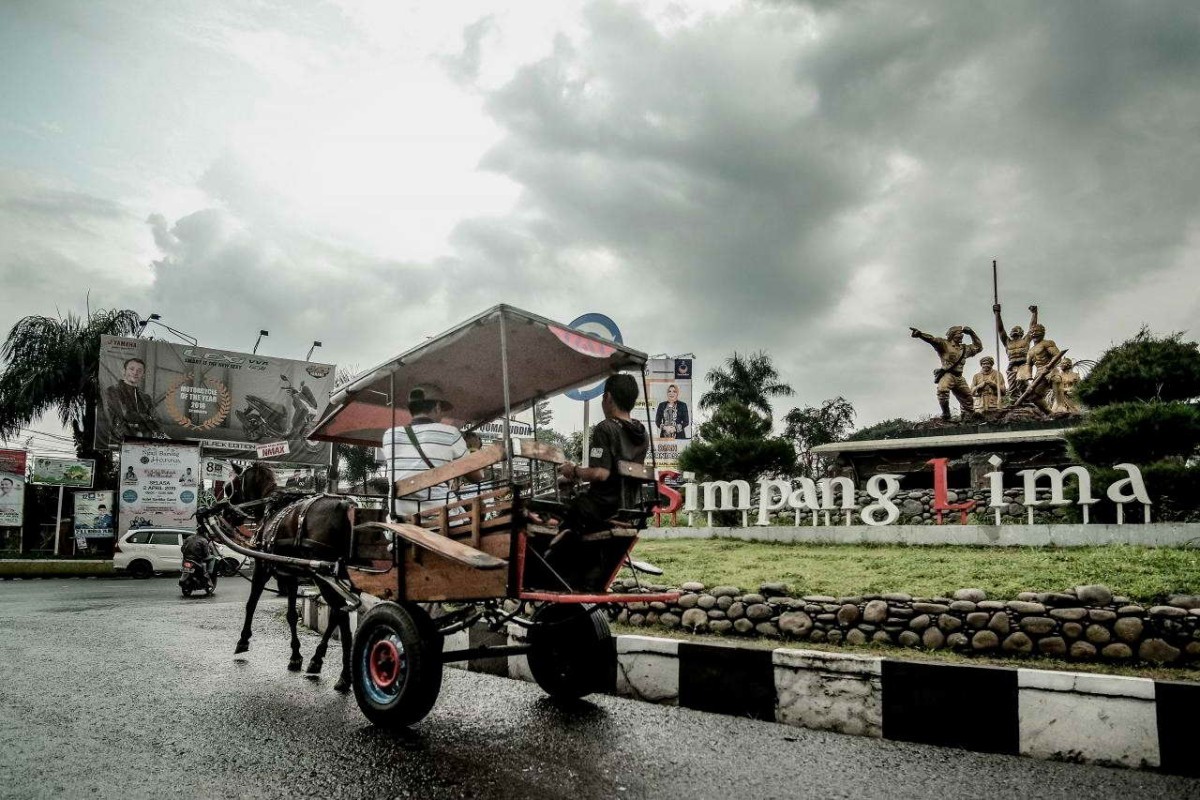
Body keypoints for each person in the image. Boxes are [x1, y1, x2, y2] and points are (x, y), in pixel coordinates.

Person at [554, 374, 649, 534]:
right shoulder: (642, 433)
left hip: (599, 508)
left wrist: (574, 470)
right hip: (626, 508)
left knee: (544, 508)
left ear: (608, 397)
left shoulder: (606, 428)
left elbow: (600, 473)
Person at [382, 384, 484, 521]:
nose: (442, 415)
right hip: (440, 518)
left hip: (400, 518)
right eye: (442, 409)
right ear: (437, 407)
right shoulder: (450, 433)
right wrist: (474, 449)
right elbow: (477, 477)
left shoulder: (389, 435)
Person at [909, 324, 983, 421]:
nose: (961, 336)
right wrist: (920, 334)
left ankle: (972, 415)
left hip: (959, 377)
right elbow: (932, 339)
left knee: (968, 397)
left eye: (962, 334)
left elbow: (978, 347)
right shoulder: (944, 344)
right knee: (942, 390)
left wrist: (972, 333)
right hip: (948, 374)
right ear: (952, 335)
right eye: (959, 333)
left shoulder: (965, 349)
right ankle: (946, 414)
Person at [103, 357, 163, 445]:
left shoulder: (146, 398)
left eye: (139, 370)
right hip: (120, 441)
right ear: (124, 371)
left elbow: (158, 421)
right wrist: (148, 418)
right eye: (132, 369)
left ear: (143, 375)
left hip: (144, 443)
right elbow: (125, 415)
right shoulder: (112, 391)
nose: (135, 373)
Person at [994, 304, 1038, 399]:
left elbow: (1032, 327)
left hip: (1023, 364)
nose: (1014, 330)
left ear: (1021, 332)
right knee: (1012, 386)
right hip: (1012, 365)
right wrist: (997, 313)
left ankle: (1027, 399)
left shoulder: (1025, 340)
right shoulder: (1007, 341)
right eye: (1013, 330)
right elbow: (1000, 329)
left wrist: (1034, 313)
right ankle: (1015, 401)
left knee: (1021, 381)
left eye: (1017, 329)